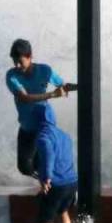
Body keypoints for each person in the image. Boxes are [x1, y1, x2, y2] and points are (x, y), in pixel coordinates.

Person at [5, 39, 76, 178]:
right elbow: (24, 98)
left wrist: (83, 86)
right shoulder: (11, 75)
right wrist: (52, 94)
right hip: (26, 127)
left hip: (44, 124)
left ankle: (56, 184)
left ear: (30, 57)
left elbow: (63, 86)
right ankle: (49, 183)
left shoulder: (45, 70)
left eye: (21, 61)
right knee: (25, 168)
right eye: (15, 62)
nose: (18, 66)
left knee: (44, 162)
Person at [30, 103, 80, 223]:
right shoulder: (64, 135)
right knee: (63, 212)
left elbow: (49, 156)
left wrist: (46, 178)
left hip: (56, 184)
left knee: (45, 222)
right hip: (71, 181)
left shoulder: (43, 136)